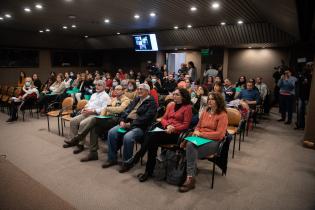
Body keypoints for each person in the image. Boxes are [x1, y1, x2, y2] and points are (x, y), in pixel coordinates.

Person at [133, 88, 192, 181]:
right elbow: (163, 119)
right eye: (174, 94)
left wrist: (174, 128)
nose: (174, 96)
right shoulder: (171, 105)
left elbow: (186, 125)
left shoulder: (187, 107)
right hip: (165, 130)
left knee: (151, 137)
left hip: (176, 134)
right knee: (152, 140)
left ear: (183, 97)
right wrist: (168, 125)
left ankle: (141, 162)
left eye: (177, 95)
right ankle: (148, 170)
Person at [179, 92, 228, 192]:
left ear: (218, 101)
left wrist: (201, 134)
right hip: (200, 138)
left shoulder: (223, 115)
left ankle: (189, 177)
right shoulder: (206, 111)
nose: (209, 101)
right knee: (190, 146)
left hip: (213, 142)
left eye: (212, 99)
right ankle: (190, 176)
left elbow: (219, 135)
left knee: (190, 147)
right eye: (209, 99)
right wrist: (197, 131)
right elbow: (198, 125)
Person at [102, 83, 157, 171]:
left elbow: (146, 119)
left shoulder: (152, 103)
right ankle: (112, 159)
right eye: (138, 89)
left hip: (141, 127)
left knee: (128, 137)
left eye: (141, 89)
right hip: (127, 123)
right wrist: (122, 121)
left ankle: (127, 163)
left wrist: (131, 124)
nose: (139, 91)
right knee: (111, 132)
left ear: (147, 91)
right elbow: (126, 111)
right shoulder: (136, 99)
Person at [80, 85, 131, 162]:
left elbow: (119, 110)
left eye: (118, 89)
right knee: (94, 127)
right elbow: (106, 109)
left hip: (119, 120)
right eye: (115, 89)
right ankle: (93, 153)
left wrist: (107, 108)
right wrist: (101, 117)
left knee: (94, 120)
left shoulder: (126, 100)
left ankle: (78, 137)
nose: (116, 91)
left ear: (123, 91)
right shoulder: (113, 99)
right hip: (110, 119)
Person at [63, 80, 111, 153]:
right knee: (73, 121)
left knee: (82, 123)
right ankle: (73, 141)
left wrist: (93, 111)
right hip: (87, 112)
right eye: (96, 85)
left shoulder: (106, 96)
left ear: (104, 87)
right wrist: (84, 109)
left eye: (99, 85)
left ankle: (80, 145)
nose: (97, 86)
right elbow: (88, 104)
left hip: (96, 115)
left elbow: (104, 109)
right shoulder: (94, 94)